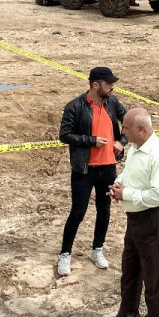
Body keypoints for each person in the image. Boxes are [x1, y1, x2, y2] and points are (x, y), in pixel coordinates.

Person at [100, 108, 159, 317]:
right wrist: (120, 183)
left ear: (141, 129)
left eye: (126, 128)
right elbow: (133, 173)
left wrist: (127, 194)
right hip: (135, 217)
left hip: (152, 219)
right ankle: (128, 314)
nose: (122, 132)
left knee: (152, 274)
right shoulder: (137, 148)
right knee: (130, 268)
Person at [57, 66, 128, 276]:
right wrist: (91, 141)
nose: (112, 87)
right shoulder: (75, 106)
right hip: (84, 169)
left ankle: (97, 249)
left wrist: (121, 141)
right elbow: (64, 135)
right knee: (78, 212)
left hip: (108, 166)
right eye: (108, 84)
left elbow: (129, 121)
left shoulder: (113, 103)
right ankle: (65, 254)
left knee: (104, 210)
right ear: (95, 85)